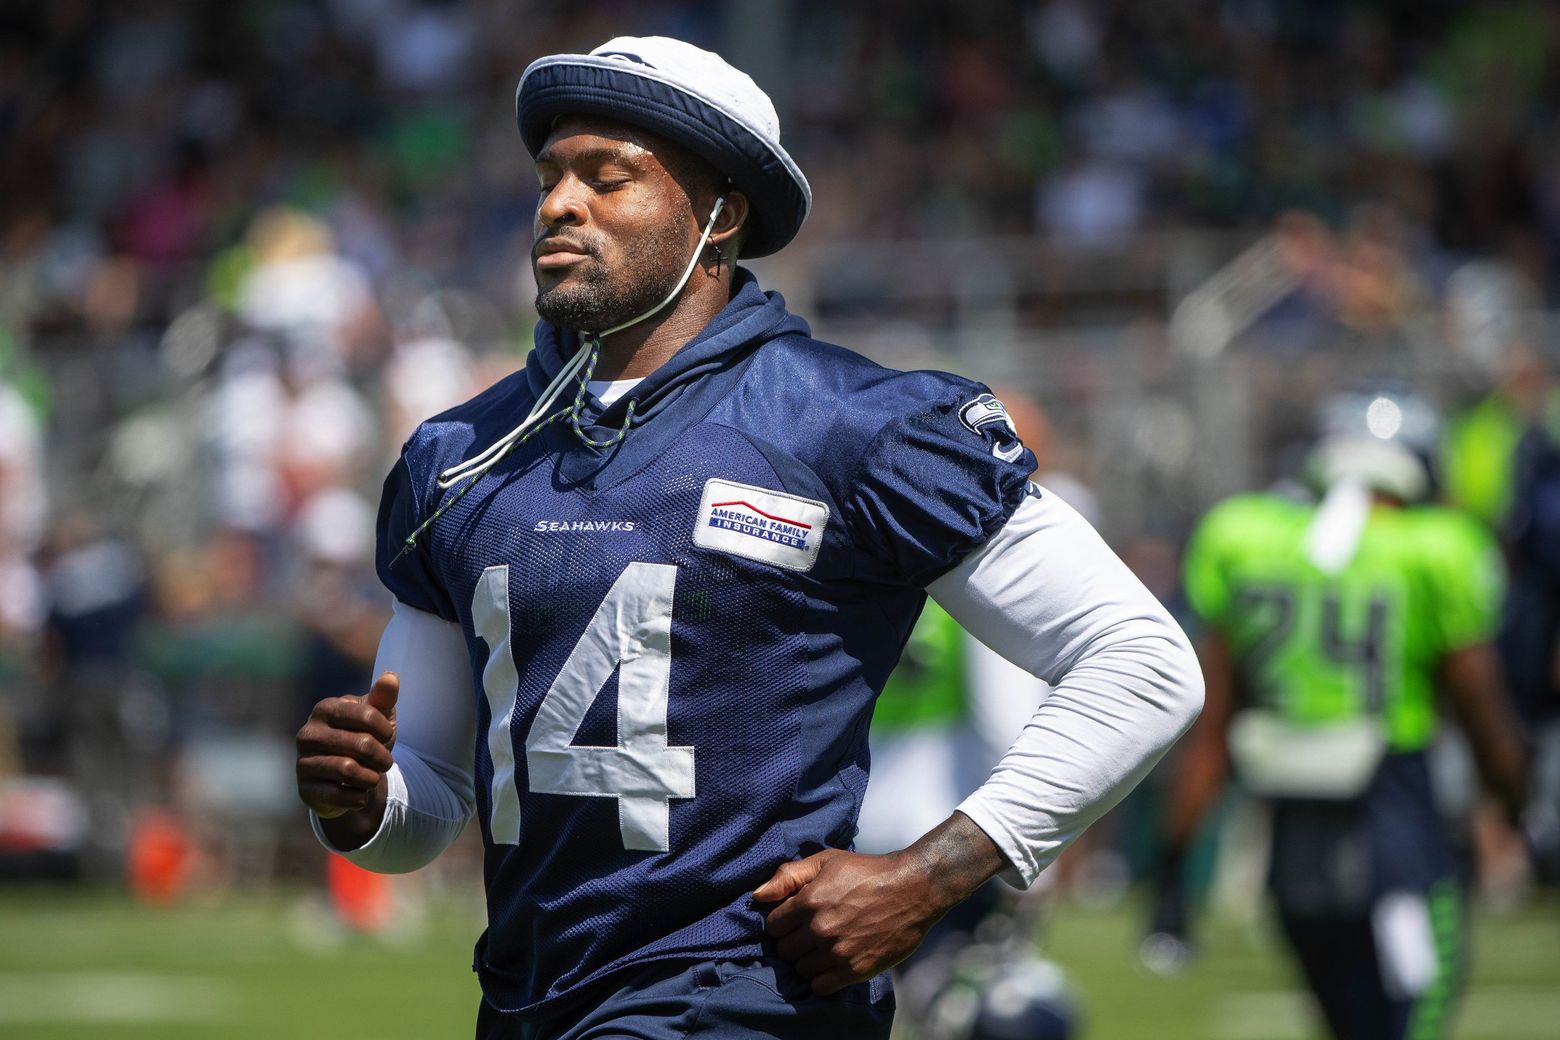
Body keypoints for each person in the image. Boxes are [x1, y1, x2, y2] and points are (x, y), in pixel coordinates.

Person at [294, 36, 1202, 1039]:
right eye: (551, 175)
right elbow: (423, 815)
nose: (559, 203)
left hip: (747, 999)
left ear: (721, 213)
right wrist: (362, 802)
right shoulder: (460, 452)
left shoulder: (851, 422)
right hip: (530, 998)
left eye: (609, 177)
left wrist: (930, 871)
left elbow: (1141, 660)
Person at [1150, 387, 1529, 1040]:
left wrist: (1174, 870)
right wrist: (1513, 799)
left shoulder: (1248, 537)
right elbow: (1481, 713)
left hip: (1292, 851)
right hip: (1396, 833)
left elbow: (1207, 731)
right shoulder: (1435, 547)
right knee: (1413, 1021)